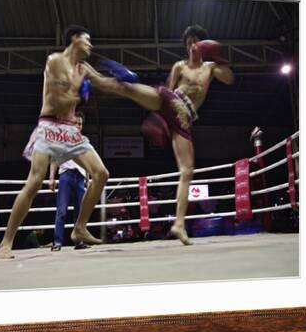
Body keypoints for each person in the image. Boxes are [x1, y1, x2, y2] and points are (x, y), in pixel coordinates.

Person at [82, 25, 234, 245]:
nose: (192, 46)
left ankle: (179, 224)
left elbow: (229, 79)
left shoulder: (211, 68)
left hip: (185, 119)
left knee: (187, 171)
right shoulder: (179, 66)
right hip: (169, 102)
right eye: (189, 42)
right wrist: (160, 118)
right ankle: (89, 73)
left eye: (196, 42)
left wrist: (218, 57)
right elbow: (167, 89)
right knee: (126, 88)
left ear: (203, 45)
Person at [0, 25, 109, 259]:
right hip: (49, 127)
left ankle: (79, 228)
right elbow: (58, 100)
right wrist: (80, 92)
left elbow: (106, 84)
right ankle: (6, 243)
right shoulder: (55, 61)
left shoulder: (84, 68)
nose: (91, 45)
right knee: (34, 182)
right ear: (74, 40)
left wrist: (127, 84)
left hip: (71, 130)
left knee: (101, 174)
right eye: (87, 40)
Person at [48, 112, 91, 251]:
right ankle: (57, 242)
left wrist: (88, 179)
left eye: (80, 124)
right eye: (76, 123)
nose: (78, 125)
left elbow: (89, 162)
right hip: (66, 175)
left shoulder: (84, 141)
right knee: (62, 210)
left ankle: (78, 242)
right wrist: (51, 178)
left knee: (80, 213)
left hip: (80, 177)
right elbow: (54, 159)